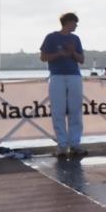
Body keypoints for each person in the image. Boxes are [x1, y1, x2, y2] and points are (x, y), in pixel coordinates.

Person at [40, 13, 86, 158]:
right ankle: (62, 144)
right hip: (57, 76)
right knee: (58, 111)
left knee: (75, 111)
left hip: (74, 76)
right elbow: (43, 57)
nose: (76, 26)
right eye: (75, 23)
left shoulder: (75, 39)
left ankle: (74, 144)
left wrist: (72, 52)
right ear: (68, 22)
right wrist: (58, 54)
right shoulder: (51, 37)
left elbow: (81, 60)